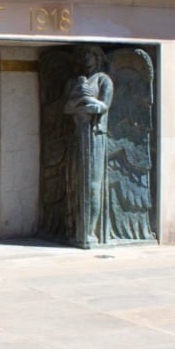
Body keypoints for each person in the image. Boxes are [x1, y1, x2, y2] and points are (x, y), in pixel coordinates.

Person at [64, 46, 113, 246]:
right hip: (78, 134)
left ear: (97, 57)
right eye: (84, 55)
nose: (86, 58)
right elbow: (67, 108)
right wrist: (78, 98)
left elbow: (102, 106)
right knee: (76, 183)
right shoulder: (77, 82)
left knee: (93, 185)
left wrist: (87, 99)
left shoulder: (103, 80)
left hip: (95, 135)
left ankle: (90, 230)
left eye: (90, 54)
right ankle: (76, 228)